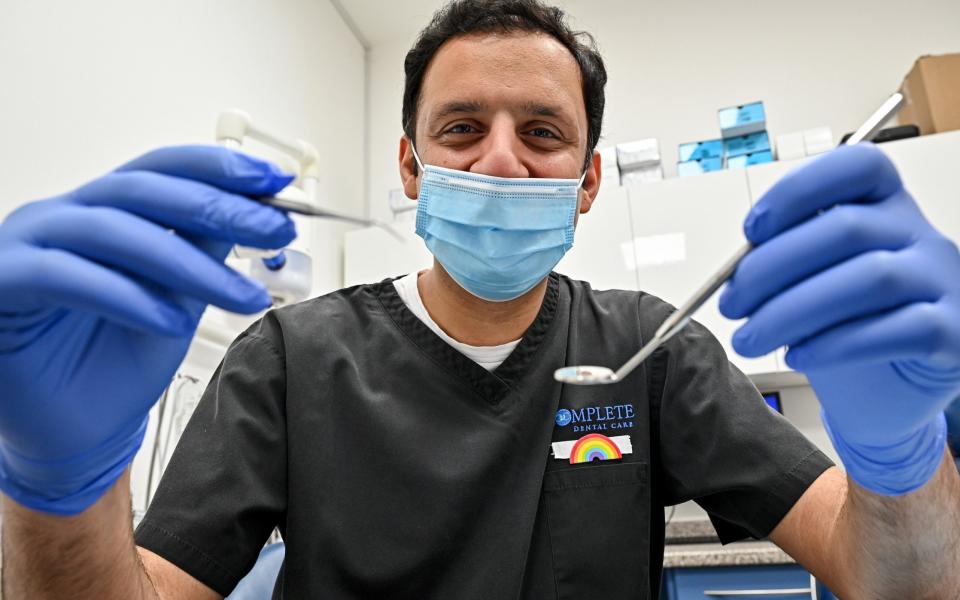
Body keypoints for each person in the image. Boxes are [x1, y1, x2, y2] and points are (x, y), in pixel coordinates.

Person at [2, 0, 959, 598]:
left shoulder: (651, 348)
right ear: (413, 168)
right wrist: (58, 487)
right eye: (462, 127)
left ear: (588, 184)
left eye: (542, 132)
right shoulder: (289, 359)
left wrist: (902, 461)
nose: (500, 159)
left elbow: (894, 581)